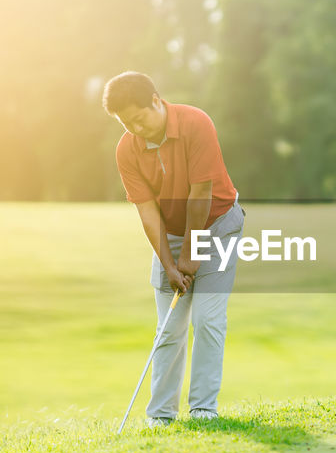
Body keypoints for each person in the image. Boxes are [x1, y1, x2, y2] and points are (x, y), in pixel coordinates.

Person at [102, 71, 244, 426]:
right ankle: (161, 416)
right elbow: (148, 212)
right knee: (169, 326)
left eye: (139, 119)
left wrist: (191, 254)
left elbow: (200, 194)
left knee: (207, 319)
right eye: (126, 124)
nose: (135, 129)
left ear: (155, 100)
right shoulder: (127, 149)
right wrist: (169, 263)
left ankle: (203, 410)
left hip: (218, 226)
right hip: (173, 234)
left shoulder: (196, 123)